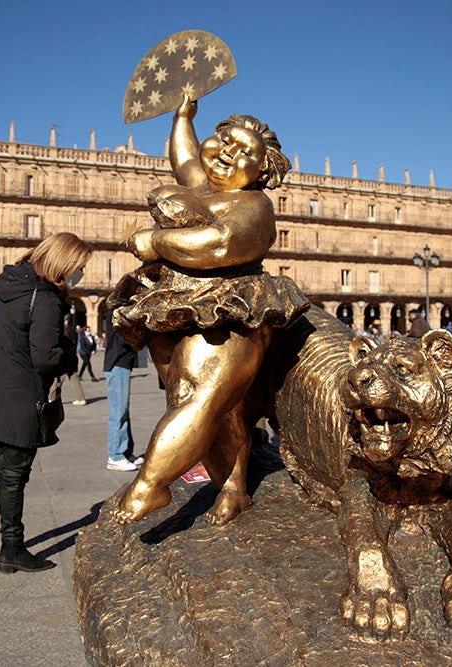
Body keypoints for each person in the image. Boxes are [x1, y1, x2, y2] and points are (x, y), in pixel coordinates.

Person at [109, 95, 308, 525]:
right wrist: (183, 117)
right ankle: (233, 485)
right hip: (176, 306)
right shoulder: (202, 186)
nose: (228, 154)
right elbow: (184, 155)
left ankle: (149, 485)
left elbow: (218, 244)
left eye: (245, 154)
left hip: (230, 310)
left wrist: (157, 242)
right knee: (208, 404)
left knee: (203, 400)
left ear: (262, 171)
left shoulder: (254, 207)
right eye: (223, 140)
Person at [0, 232, 90, 573]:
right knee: (15, 475)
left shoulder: (11, 284)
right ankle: (12, 548)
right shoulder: (46, 299)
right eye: (78, 267)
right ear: (63, 263)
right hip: (20, 398)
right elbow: (47, 357)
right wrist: (69, 349)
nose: (79, 275)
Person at [103, 314, 141, 471]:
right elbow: (123, 339)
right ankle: (115, 456)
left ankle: (125, 452)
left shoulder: (117, 311)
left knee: (123, 410)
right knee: (118, 411)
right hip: (117, 364)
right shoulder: (117, 313)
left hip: (121, 364)